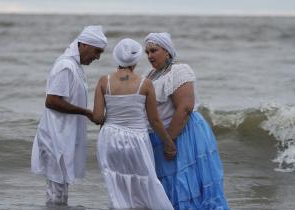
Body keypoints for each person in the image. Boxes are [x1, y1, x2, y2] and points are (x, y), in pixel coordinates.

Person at [144, 32, 230, 210]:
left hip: (184, 134)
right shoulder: (151, 75)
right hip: (162, 136)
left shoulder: (179, 70)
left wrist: (169, 141)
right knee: (169, 186)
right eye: (147, 52)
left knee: (186, 184)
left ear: (167, 51)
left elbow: (185, 108)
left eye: (154, 51)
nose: (150, 56)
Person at [92, 38, 176, 209]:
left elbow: (98, 118)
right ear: (136, 59)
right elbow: (154, 120)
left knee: (117, 184)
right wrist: (169, 143)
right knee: (145, 182)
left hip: (110, 138)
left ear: (117, 58)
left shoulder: (103, 81)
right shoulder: (145, 84)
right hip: (137, 139)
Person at [31, 25, 107, 206]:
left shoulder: (75, 66)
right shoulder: (66, 66)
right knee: (56, 194)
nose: (97, 57)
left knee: (61, 193)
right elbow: (52, 101)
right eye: (97, 51)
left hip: (62, 136)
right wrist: (86, 112)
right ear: (84, 45)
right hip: (54, 137)